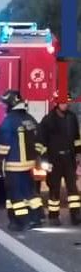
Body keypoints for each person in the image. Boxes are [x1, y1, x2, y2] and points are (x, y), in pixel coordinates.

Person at [0, 90, 45, 231]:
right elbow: (40, 140)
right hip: (28, 165)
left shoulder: (9, 121)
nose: (4, 107)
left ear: (10, 104)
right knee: (30, 192)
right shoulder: (29, 118)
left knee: (15, 195)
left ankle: (21, 221)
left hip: (14, 165)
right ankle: (37, 217)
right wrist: (36, 155)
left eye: (5, 105)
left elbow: (3, 144)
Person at [38, 92, 81, 226]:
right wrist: (45, 159)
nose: (66, 105)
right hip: (53, 160)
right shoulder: (48, 120)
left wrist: (78, 154)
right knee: (54, 188)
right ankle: (53, 215)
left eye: (67, 102)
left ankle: (75, 214)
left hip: (69, 159)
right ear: (56, 103)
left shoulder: (72, 118)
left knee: (73, 188)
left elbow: (76, 139)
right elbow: (40, 143)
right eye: (63, 102)